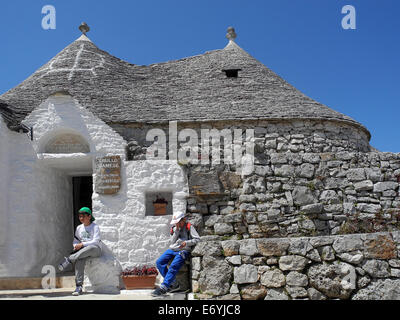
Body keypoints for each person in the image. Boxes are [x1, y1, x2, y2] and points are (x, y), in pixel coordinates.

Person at [151, 211, 200, 297]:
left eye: (178, 222)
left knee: (173, 265)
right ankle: (173, 283)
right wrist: (177, 231)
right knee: (159, 262)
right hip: (172, 249)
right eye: (176, 223)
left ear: (183, 220)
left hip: (183, 250)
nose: (177, 224)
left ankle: (164, 287)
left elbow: (197, 239)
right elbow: (172, 241)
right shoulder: (174, 228)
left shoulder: (189, 227)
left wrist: (186, 243)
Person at [57, 207, 103, 296]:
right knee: (80, 260)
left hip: (95, 250)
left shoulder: (95, 227)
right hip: (83, 252)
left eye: (83, 216)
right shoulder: (79, 228)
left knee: (90, 248)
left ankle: (69, 259)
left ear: (89, 216)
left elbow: (96, 241)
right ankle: (79, 286)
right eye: (80, 216)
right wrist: (76, 246)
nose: (81, 218)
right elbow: (76, 240)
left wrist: (82, 245)